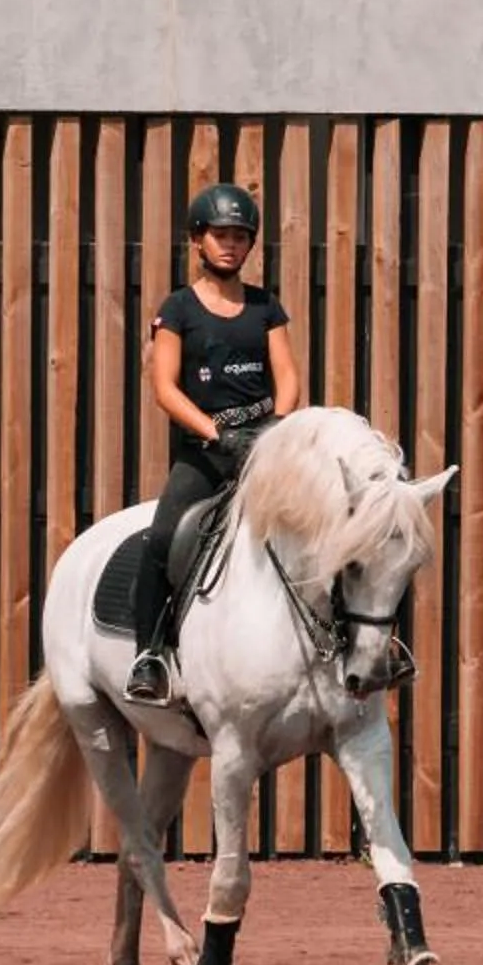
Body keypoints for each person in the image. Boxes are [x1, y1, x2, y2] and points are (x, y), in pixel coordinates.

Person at [126, 182, 301, 707]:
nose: (230, 245)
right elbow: (164, 388)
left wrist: (277, 426)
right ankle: (150, 655)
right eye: (220, 235)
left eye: (240, 237)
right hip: (205, 455)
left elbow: (288, 376)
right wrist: (217, 434)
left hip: (264, 450)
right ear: (197, 240)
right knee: (160, 540)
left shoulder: (265, 306)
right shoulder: (178, 309)